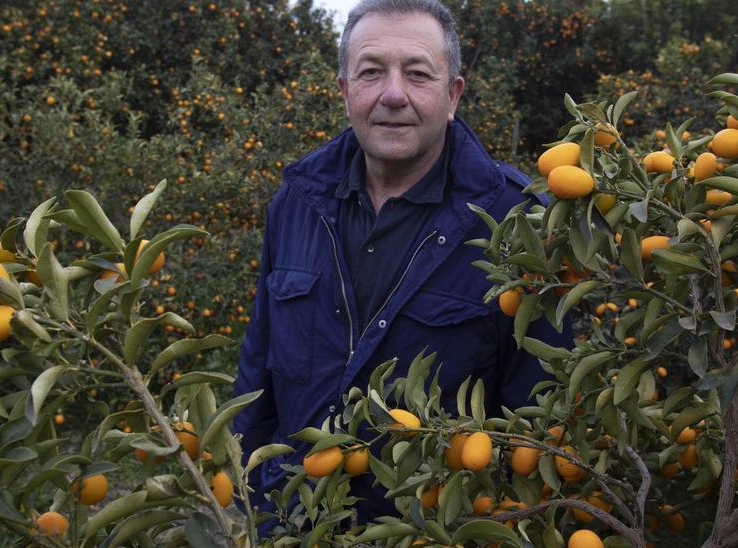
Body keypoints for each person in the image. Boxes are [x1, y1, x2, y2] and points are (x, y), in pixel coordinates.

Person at [231, 0, 573, 526]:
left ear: (452, 94)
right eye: (371, 73)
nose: (393, 94)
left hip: (433, 532)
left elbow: (542, 419)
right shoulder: (296, 204)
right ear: (345, 91)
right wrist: (249, 508)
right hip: (294, 522)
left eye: (417, 74)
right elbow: (257, 376)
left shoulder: (518, 221)